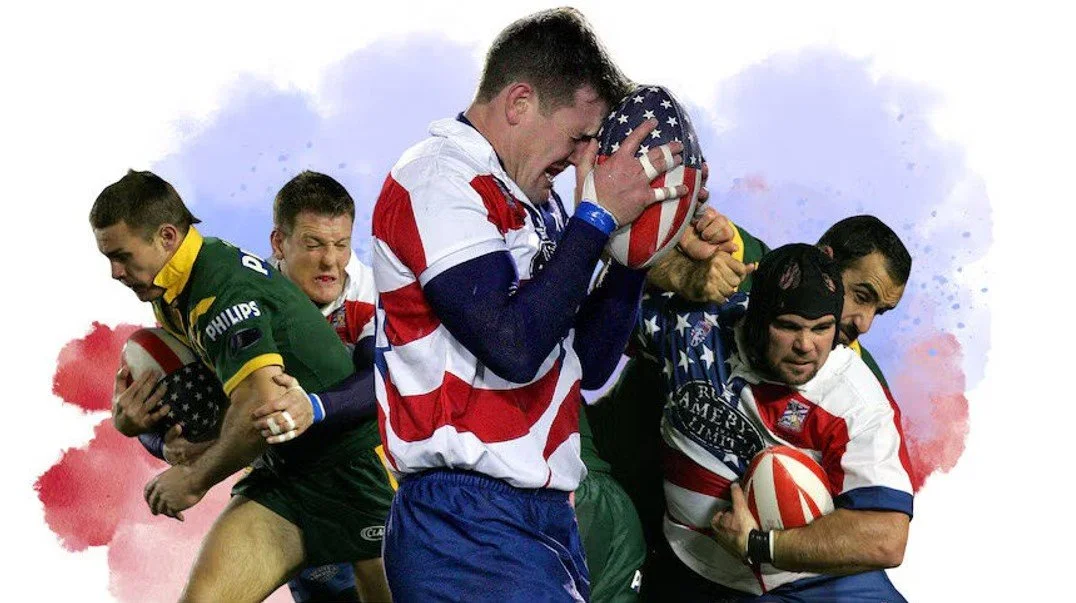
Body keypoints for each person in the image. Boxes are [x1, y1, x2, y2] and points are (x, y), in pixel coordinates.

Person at [371, 7, 686, 601]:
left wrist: (633, 254)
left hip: (540, 513)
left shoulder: (536, 204)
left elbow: (584, 365)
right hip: (464, 519)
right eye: (578, 137)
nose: (582, 157)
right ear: (519, 103)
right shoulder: (438, 180)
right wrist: (595, 219)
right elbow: (512, 346)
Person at [91, 169, 394, 603]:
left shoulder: (223, 288)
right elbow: (211, 403)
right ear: (280, 244)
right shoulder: (175, 288)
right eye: (312, 244)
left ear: (167, 236)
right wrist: (146, 431)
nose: (115, 272)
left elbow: (264, 407)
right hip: (283, 475)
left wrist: (195, 479)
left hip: (358, 475)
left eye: (121, 256)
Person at [588, 212, 913, 598]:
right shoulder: (705, 313)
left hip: (796, 575)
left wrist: (761, 545)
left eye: (821, 327)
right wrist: (671, 268)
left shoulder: (861, 390)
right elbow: (601, 294)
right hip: (646, 512)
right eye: (861, 296)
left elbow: (882, 533)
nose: (865, 322)